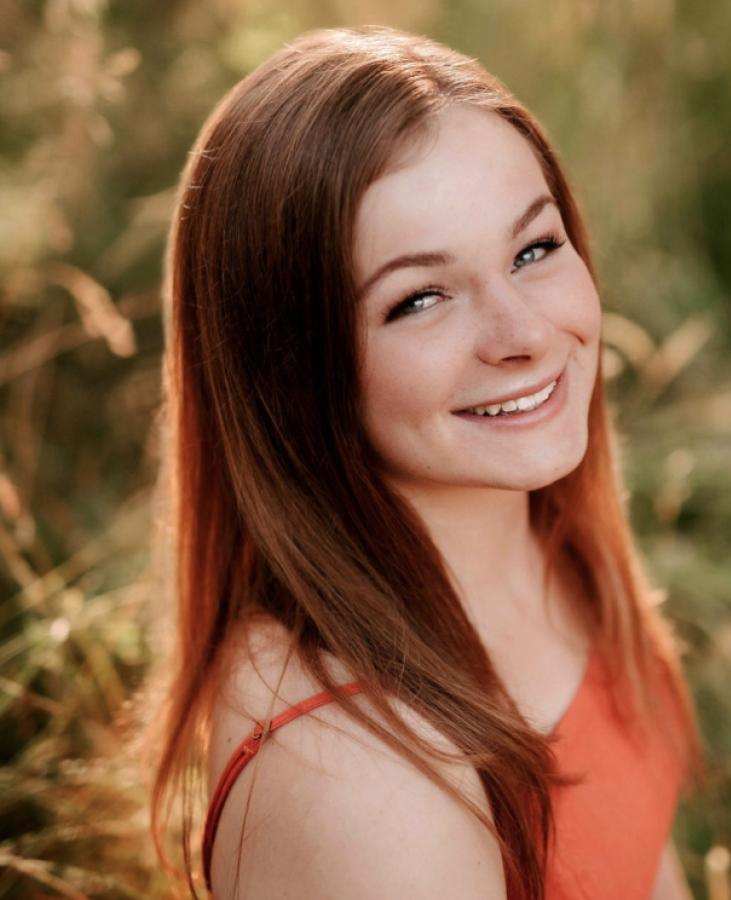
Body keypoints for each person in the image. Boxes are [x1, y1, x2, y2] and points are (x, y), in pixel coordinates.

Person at [148, 24, 703, 900]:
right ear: (291, 372)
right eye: (420, 299)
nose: (524, 335)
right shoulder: (356, 776)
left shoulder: (543, 532)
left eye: (533, 249)